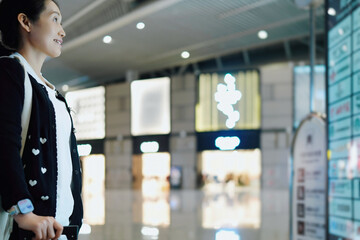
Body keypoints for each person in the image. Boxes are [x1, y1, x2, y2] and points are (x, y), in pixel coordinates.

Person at [0, 0, 83, 239]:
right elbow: (5, 146)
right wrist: (24, 212)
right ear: (26, 21)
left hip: (60, 230)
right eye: (55, 19)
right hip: (28, 230)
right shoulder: (10, 72)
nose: (62, 31)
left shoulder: (53, 93)